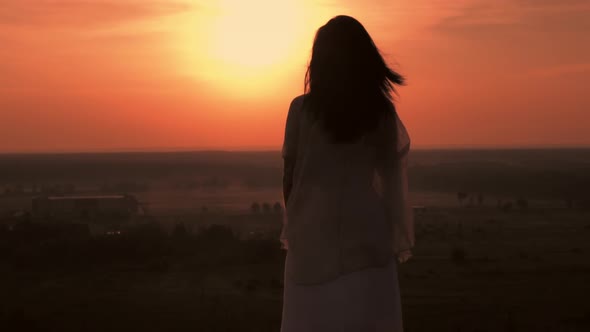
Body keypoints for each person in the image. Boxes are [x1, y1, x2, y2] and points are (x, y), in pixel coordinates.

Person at [279, 15, 414, 332]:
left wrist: (301, 224)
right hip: (367, 238)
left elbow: (290, 179)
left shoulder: (301, 110)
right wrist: (393, 237)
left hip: (311, 240)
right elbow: (393, 187)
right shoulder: (380, 114)